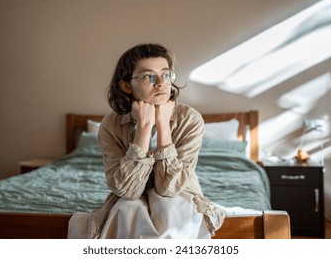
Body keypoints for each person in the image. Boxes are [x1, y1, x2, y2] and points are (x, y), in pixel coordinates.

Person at [68, 43, 224, 239]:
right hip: (130, 198)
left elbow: (169, 188)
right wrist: (144, 126)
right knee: (127, 207)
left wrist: (163, 125)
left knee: (172, 206)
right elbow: (129, 190)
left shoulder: (190, 119)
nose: (160, 83)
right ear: (126, 86)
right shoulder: (111, 124)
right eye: (148, 76)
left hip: (179, 194)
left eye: (166, 75)